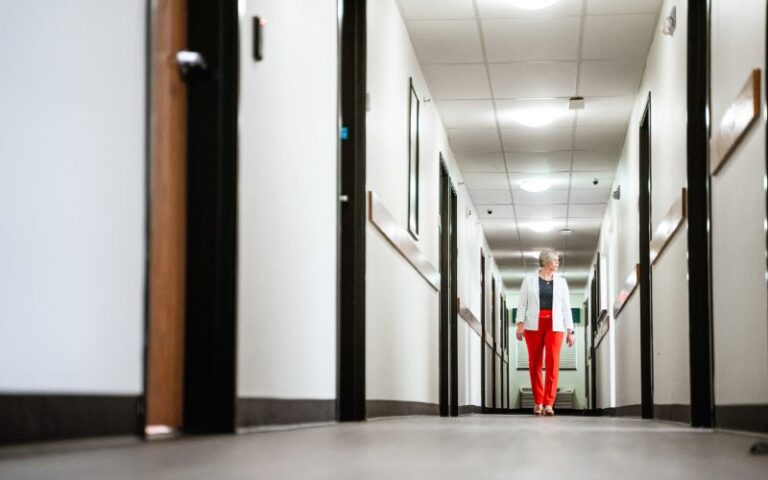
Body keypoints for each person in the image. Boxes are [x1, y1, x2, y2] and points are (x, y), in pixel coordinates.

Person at [515, 249, 575, 416]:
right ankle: (538, 402)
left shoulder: (562, 282)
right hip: (533, 324)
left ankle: (549, 403)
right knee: (534, 363)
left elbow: (566, 308)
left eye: (558, 260)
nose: (557, 263)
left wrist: (571, 330)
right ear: (546, 262)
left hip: (555, 326)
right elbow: (522, 304)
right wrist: (520, 324)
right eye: (554, 260)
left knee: (553, 362)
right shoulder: (529, 280)